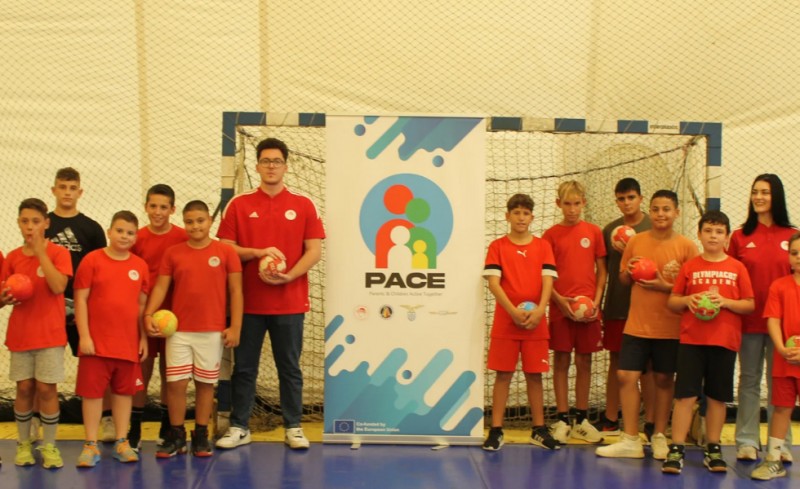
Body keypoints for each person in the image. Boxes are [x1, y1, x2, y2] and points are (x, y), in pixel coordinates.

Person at [216, 137, 324, 450]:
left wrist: (289, 275)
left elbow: (314, 250)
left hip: (290, 303)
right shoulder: (240, 204)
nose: (271, 166)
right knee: (244, 368)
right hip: (249, 304)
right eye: (266, 161)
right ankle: (240, 426)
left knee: (289, 368)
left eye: (277, 161)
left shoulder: (303, 205)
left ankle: (293, 427)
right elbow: (225, 248)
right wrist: (257, 252)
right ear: (257, 165)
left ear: (286, 166)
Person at [596, 189, 698, 460]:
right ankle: (630, 438)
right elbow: (623, 279)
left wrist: (664, 285)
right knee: (625, 376)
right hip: (636, 324)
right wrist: (630, 271)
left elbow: (691, 290)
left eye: (666, 209)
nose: (660, 214)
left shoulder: (687, 247)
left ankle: (659, 435)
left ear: (676, 213)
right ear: (649, 212)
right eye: (655, 209)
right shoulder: (636, 241)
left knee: (664, 379)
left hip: (670, 326)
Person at [145, 200, 243, 457]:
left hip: (211, 332)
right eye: (189, 222)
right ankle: (176, 435)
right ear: (184, 223)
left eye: (200, 220)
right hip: (178, 332)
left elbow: (236, 291)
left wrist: (235, 326)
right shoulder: (173, 253)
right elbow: (161, 287)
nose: (195, 226)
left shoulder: (226, 252)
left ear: (210, 221)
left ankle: (200, 435)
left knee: (205, 384)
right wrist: (148, 314)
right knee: (176, 384)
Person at [661, 210, 754, 474]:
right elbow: (673, 301)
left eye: (719, 232)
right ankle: (677, 448)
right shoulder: (690, 266)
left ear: (727, 237)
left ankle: (713, 447)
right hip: (692, 341)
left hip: (724, 342)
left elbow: (749, 305)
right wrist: (687, 300)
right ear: (700, 234)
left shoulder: (737, 268)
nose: (713, 236)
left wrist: (725, 302)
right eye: (708, 231)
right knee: (685, 396)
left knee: (716, 397)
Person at [482, 193, 560, 451]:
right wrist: (513, 312)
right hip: (506, 322)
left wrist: (540, 310)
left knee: (534, 375)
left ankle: (538, 429)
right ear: (508, 216)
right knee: (503, 375)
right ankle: (496, 430)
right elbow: (494, 283)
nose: (521, 217)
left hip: (536, 323)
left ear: (532, 217)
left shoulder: (543, 246)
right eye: (516, 213)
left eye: (526, 213)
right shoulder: (497, 246)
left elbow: (548, 281)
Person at [73, 211, 149, 467]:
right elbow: (81, 300)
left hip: (127, 344)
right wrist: (84, 336)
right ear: (109, 231)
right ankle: (90, 444)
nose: (124, 236)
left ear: (135, 237)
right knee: (93, 394)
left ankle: (121, 442)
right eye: (119, 230)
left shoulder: (140, 266)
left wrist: (143, 338)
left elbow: (141, 306)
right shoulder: (92, 260)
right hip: (95, 345)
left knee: (124, 393)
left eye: (130, 233)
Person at [0, 198, 72, 469]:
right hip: (21, 334)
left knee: (46, 389)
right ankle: (23, 443)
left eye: (35, 221)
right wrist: (3, 299)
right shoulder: (12, 258)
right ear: (18, 224)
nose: (30, 226)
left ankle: (49, 445)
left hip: (50, 335)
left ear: (46, 223)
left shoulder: (58, 253)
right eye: (25, 221)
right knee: (24, 388)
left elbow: (58, 286)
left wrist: (41, 253)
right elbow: (2, 296)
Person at [729, 174, 795, 462]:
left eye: (765, 192)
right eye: (755, 191)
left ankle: (780, 445)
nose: (758, 197)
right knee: (749, 379)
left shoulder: (792, 235)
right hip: (750, 322)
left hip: (784, 326)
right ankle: (746, 440)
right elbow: (731, 277)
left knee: (781, 382)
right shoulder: (739, 236)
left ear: (775, 196)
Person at [45, 167, 110, 442]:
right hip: (48, 307)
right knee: (44, 368)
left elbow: (102, 271)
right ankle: (36, 419)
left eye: (72, 188)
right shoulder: (43, 224)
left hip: (83, 309)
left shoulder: (91, 228)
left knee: (96, 364)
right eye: (62, 187)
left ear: (80, 192)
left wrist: (92, 308)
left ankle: (107, 418)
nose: (67, 193)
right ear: (54, 190)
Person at [542, 181, 607, 444]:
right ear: (558, 204)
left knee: (585, 361)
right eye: (567, 204)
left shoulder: (594, 232)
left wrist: (596, 302)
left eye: (576, 204)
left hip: (588, 310)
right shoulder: (550, 235)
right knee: (561, 360)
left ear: (584, 203)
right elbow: (545, 274)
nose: (572, 209)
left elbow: (602, 271)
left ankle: (581, 419)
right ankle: (562, 418)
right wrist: (560, 302)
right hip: (561, 309)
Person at [128, 184, 188, 450]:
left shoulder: (183, 236)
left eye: (164, 207)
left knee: (169, 373)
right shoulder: (137, 238)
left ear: (172, 209)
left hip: (175, 318)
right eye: (153, 206)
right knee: (141, 371)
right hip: (144, 316)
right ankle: (134, 428)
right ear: (146, 207)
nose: (158, 211)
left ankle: (167, 426)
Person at [597, 178, 655, 438]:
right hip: (617, 306)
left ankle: (650, 422)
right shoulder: (610, 230)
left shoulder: (652, 227)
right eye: (621, 199)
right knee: (616, 362)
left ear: (641, 198)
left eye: (631, 197)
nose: (627, 203)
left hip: (647, 308)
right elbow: (602, 272)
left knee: (648, 366)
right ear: (616, 201)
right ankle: (611, 418)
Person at [751, 231, 800, 480]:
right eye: (794, 253)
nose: (799, 257)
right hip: (785, 360)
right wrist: (781, 348)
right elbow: (773, 319)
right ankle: (773, 460)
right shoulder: (779, 286)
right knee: (781, 408)